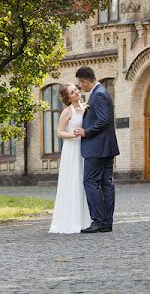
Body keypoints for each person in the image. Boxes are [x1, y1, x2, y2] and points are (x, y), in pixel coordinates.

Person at [73, 66, 120, 234]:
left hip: (97, 148)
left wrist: (86, 131)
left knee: (90, 182)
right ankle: (107, 222)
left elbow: (102, 121)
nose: (81, 87)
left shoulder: (98, 95)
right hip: (105, 147)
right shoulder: (102, 92)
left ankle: (99, 220)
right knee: (106, 183)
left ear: (85, 81)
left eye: (80, 83)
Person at [48, 84, 91, 234]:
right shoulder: (67, 111)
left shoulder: (86, 107)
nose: (77, 92)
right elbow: (59, 132)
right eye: (72, 92)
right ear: (67, 97)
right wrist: (74, 134)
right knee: (73, 181)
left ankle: (86, 219)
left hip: (85, 147)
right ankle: (71, 220)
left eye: (76, 89)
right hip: (72, 148)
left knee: (84, 181)